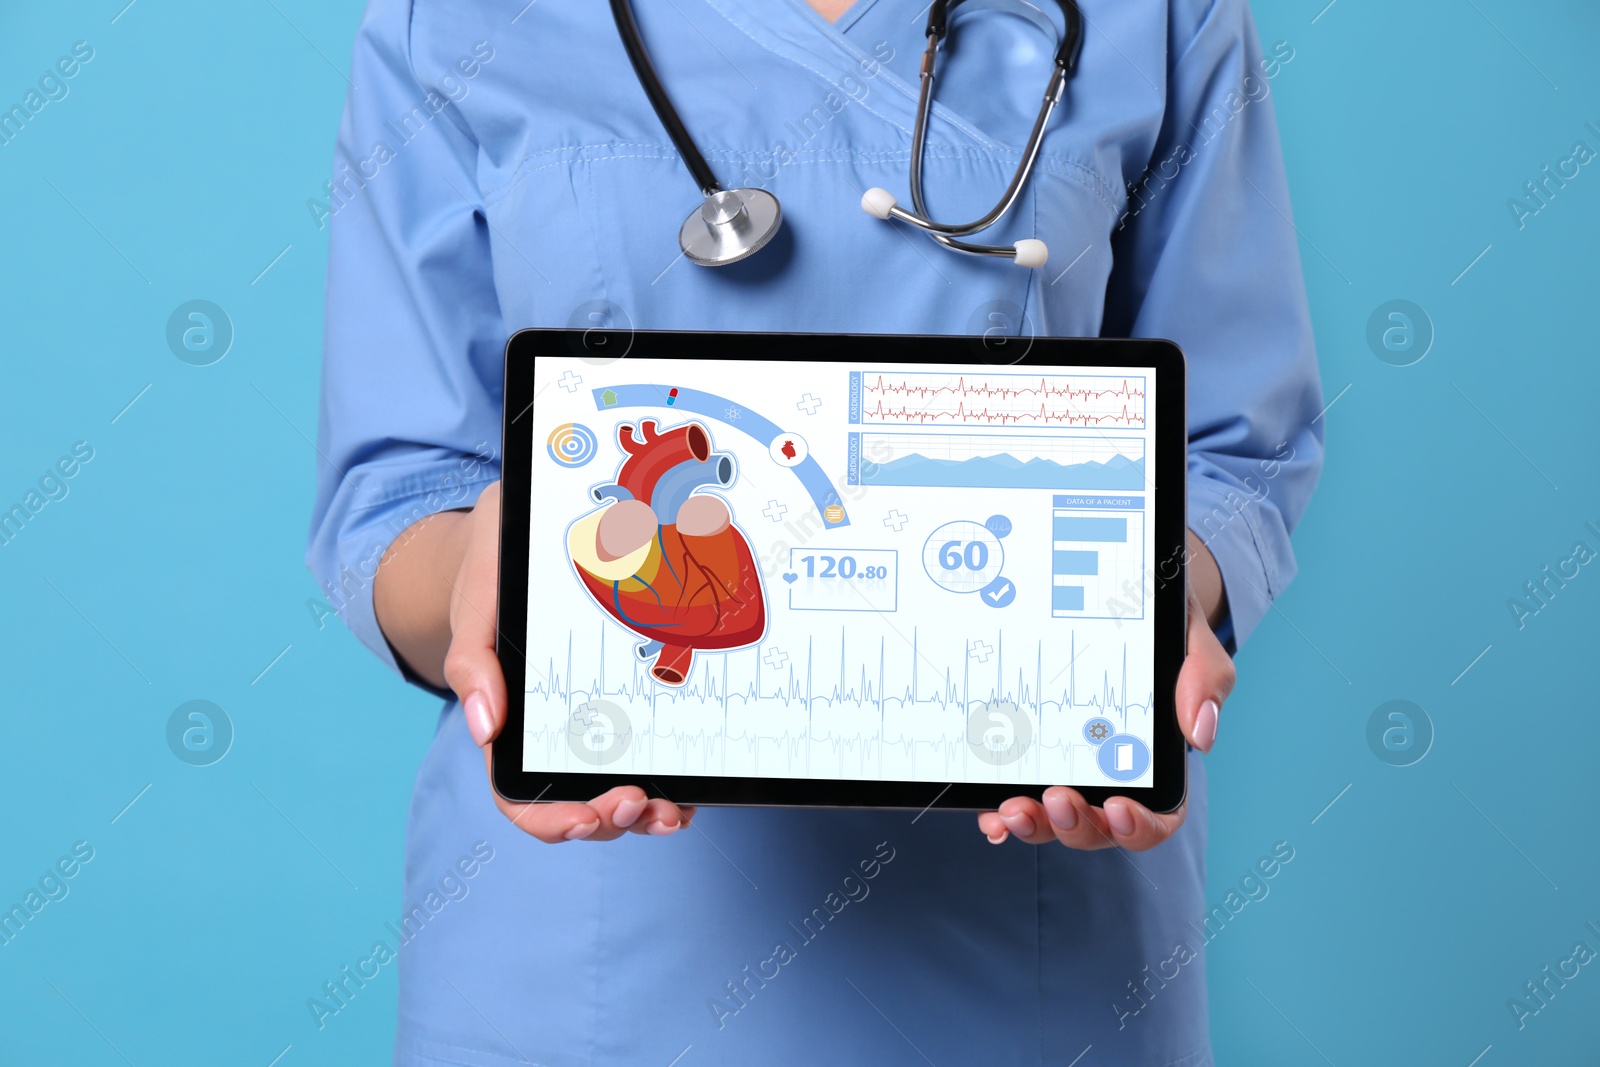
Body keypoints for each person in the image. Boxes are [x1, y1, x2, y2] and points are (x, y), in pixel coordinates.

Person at [308, 0, 1323, 1062]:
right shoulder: (454, 19)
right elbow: (395, 490)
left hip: (1031, 927)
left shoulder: (1158, 17)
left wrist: (1152, 603)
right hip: (586, 947)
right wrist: (493, 565)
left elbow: (1229, 450)